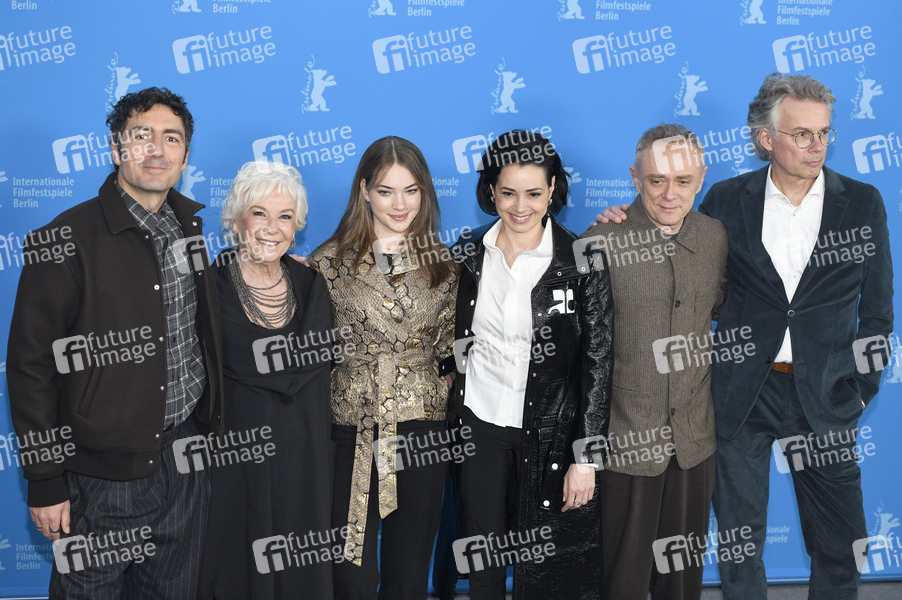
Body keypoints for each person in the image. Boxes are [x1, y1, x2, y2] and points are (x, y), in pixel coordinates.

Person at [597, 73, 894, 599]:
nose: (816, 145)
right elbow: (677, 245)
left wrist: (858, 392)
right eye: (801, 133)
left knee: (839, 544)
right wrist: (623, 218)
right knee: (739, 545)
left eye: (824, 132)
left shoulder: (863, 202)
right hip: (741, 397)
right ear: (765, 138)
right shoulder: (727, 200)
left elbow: (877, 315)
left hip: (827, 396)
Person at [7, 87, 224, 598]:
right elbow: (30, 368)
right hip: (100, 481)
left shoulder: (190, 230)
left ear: (185, 157)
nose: (157, 150)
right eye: (141, 135)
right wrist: (45, 479)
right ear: (115, 148)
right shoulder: (63, 239)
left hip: (185, 463)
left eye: (171, 138)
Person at [450, 130, 613, 599]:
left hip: (551, 431)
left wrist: (586, 459)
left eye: (534, 194)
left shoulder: (583, 259)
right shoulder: (468, 252)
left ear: (553, 188)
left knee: (544, 566)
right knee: (483, 556)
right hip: (479, 422)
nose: (520, 207)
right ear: (490, 190)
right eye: (507, 193)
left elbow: (598, 362)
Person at [581, 123, 727, 599]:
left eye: (683, 180)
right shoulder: (600, 242)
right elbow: (579, 352)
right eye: (656, 180)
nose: (669, 194)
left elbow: (722, 307)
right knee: (621, 583)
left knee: (681, 586)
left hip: (693, 443)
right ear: (634, 177)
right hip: (626, 442)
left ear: (701, 178)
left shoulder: (714, 237)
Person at [308, 136, 458, 600]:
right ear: (364, 191)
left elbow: (451, 346)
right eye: (386, 191)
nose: (400, 204)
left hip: (422, 430)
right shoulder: (326, 264)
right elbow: (313, 350)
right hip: (348, 428)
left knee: (409, 574)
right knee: (349, 576)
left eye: (411, 191)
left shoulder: (444, 265)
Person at [198, 161, 336, 599]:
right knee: (238, 563)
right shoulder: (208, 289)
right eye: (259, 213)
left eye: (285, 216)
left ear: (296, 226)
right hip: (236, 458)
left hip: (304, 458)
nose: (272, 228)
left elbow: (314, 364)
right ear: (237, 220)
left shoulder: (313, 286)